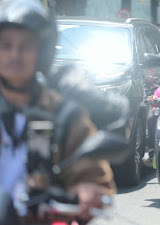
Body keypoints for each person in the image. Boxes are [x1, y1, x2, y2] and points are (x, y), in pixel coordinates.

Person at [0, 0, 115, 224]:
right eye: (6, 45)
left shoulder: (64, 114)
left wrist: (87, 190)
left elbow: (92, 174)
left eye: (25, 46)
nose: (15, 54)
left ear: (42, 52)